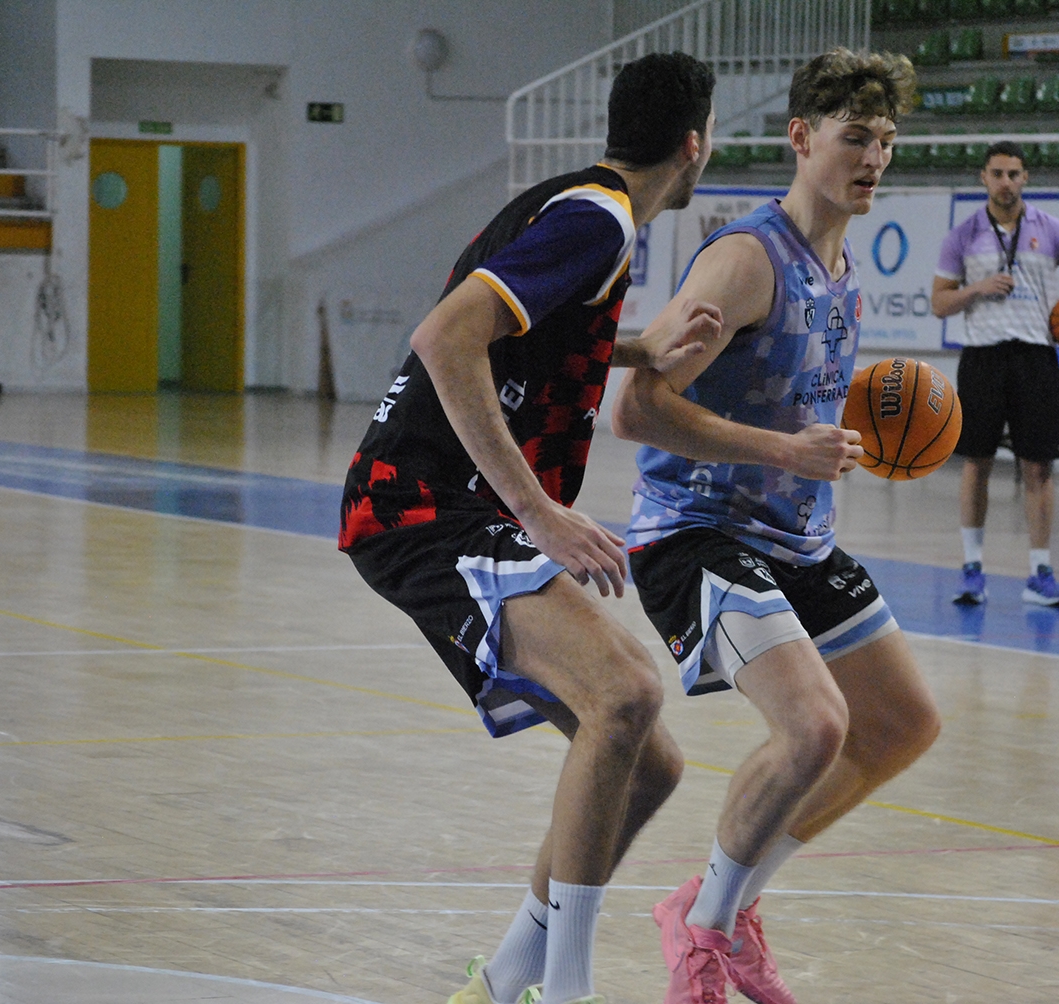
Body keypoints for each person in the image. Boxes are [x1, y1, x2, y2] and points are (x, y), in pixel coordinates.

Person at [338, 53, 720, 1004]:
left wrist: (640, 348)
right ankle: (569, 987)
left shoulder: (578, 207)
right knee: (628, 693)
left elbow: (524, 328)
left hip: (436, 500)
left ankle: (505, 982)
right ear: (695, 146)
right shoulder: (598, 222)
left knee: (649, 764)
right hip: (424, 504)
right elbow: (446, 337)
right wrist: (540, 512)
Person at [611, 49, 941, 1004]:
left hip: (795, 540)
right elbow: (634, 410)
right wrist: (780, 449)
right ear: (801, 138)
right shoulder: (746, 259)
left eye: (885, 140)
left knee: (901, 725)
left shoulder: (843, 274)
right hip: (693, 530)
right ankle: (703, 931)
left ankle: (725, 900)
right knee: (814, 728)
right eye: (854, 137)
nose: (873, 157)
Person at [930, 140, 1059, 609]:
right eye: (998, 173)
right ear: (983, 178)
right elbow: (939, 303)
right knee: (977, 462)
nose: (1006, 182)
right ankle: (972, 569)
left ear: (1026, 179)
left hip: (1036, 357)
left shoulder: (1052, 230)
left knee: (1039, 465)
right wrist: (977, 288)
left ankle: (1041, 571)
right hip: (982, 356)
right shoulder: (962, 235)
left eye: (1014, 174)